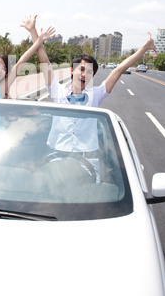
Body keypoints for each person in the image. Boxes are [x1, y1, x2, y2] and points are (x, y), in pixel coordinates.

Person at [21, 14, 157, 182]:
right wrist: (33, 31)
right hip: (56, 156)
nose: (85, 74)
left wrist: (145, 47)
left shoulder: (95, 95)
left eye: (90, 72)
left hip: (88, 161)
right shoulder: (57, 92)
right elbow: (44, 59)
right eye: (82, 69)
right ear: (72, 71)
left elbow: (119, 69)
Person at [0, 8, 55, 137]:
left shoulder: (1, 89)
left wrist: (39, 41)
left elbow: (20, 62)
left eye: (4, 68)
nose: (0, 70)